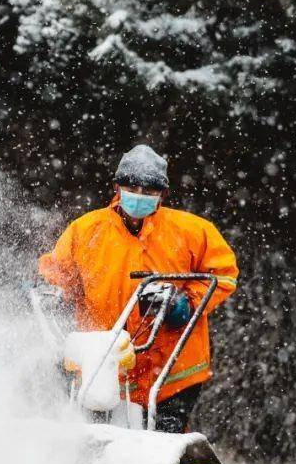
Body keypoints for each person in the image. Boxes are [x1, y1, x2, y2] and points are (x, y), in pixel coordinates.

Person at [38, 144, 238, 433]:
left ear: (163, 194)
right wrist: (49, 293)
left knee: (163, 449)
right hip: (103, 367)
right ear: (117, 187)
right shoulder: (86, 231)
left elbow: (223, 274)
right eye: (133, 187)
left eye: (149, 190)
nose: (140, 196)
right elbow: (58, 276)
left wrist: (187, 303)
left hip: (172, 369)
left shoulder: (193, 232)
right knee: (101, 445)